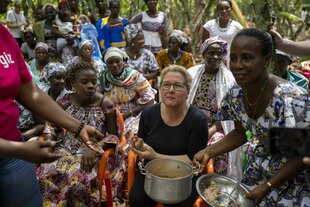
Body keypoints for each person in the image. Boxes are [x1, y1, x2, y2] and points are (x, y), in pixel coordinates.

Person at [0, 0, 104, 205]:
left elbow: (30, 91)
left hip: (11, 154)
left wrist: (78, 127)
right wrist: (19, 150)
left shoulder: (4, 36)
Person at [194, 28, 310, 206]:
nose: (238, 65)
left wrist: (267, 186)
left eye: (247, 58)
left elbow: (301, 157)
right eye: (234, 58)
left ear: (266, 60)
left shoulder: (288, 100)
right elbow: (240, 133)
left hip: (295, 178)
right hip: (260, 168)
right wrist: (208, 151)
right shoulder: (236, 93)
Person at [37, 62, 127, 206]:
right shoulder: (64, 102)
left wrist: (93, 147)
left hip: (95, 153)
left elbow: (114, 136)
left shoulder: (106, 104)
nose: (90, 86)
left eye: (93, 81)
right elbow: (52, 128)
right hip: (65, 149)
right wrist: (47, 144)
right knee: (45, 173)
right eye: (84, 82)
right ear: (73, 83)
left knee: (78, 180)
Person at [129, 65, 209, 207]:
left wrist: (154, 155)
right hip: (152, 172)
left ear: (188, 91)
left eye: (177, 85)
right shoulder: (149, 113)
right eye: (166, 85)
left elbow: (193, 160)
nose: (170, 90)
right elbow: (143, 147)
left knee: (179, 204)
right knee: (137, 200)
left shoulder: (198, 120)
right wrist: (140, 147)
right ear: (160, 89)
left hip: (184, 176)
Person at [188, 36, 242, 180]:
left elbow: (227, 114)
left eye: (219, 53)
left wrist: (211, 130)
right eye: (211, 53)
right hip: (190, 123)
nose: (215, 56)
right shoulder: (191, 73)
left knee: (219, 148)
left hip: (216, 126)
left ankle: (215, 186)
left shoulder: (229, 80)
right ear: (203, 54)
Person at [100, 47, 156, 134]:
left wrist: (128, 113)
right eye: (110, 62)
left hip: (134, 114)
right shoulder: (102, 78)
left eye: (117, 61)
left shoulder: (134, 76)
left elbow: (150, 99)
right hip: (111, 116)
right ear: (106, 64)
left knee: (131, 133)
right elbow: (97, 98)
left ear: (122, 61)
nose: (114, 65)